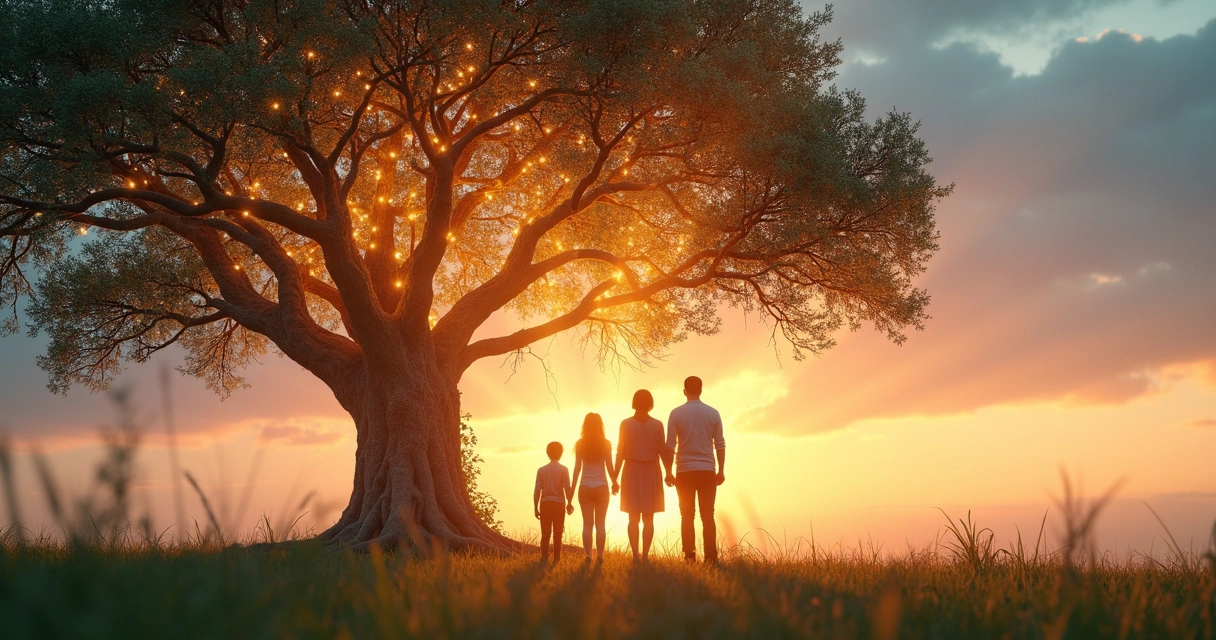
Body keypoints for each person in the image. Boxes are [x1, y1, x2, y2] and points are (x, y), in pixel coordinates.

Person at [663, 376, 725, 564]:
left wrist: (668, 471)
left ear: (684, 391)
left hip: (684, 471)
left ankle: (689, 556)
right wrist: (721, 470)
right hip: (707, 470)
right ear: (701, 389)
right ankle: (711, 557)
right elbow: (720, 444)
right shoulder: (713, 413)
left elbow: (669, 446)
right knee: (708, 516)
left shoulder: (676, 413)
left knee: (687, 516)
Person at [614, 389, 666, 561]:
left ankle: (635, 554)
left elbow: (620, 452)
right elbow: (662, 451)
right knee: (649, 518)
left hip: (631, 471)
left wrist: (614, 477)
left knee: (633, 517)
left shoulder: (625, 424)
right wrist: (669, 473)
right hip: (651, 470)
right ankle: (644, 555)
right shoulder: (657, 425)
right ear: (650, 403)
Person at [571, 413, 615, 564]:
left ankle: (588, 556)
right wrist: (615, 481)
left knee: (587, 524)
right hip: (602, 487)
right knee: (601, 523)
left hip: (585, 487)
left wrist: (570, 494)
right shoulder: (606, 443)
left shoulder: (580, 443)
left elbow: (577, 469)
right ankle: (601, 556)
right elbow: (610, 467)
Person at [534, 441, 574, 564]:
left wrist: (535, 507)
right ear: (561, 453)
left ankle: (544, 558)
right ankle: (556, 559)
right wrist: (569, 502)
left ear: (547, 453)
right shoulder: (564, 469)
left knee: (545, 534)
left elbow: (537, 490)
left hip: (545, 503)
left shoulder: (541, 470)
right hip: (559, 504)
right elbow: (567, 487)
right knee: (558, 533)